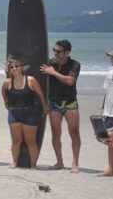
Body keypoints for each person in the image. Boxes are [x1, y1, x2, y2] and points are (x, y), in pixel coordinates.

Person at [41, 39, 81, 172]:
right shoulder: (50, 63)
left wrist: (53, 73)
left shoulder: (74, 64)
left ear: (67, 52)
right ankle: (59, 162)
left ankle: (75, 162)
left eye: (58, 51)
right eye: (54, 50)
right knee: (55, 133)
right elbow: (32, 68)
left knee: (74, 132)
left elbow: (70, 81)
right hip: (54, 103)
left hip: (70, 103)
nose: (55, 53)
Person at [2, 55, 47, 168]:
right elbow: (4, 95)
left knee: (30, 141)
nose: (14, 69)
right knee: (16, 141)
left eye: (16, 66)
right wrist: (7, 105)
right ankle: (14, 163)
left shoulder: (31, 80)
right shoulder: (7, 82)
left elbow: (41, 95)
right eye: (11, 67)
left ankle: (33, 165)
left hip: (30, 114)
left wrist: (45, 108)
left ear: (22, 67)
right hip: (14, 114)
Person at [101, 50, 113, 177]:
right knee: (109, 141)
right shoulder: (110, 71)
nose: (111, 58)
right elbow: (107, 92)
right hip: (109, 112)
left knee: (110, 139)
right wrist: (103, 109)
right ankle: (110, 168)